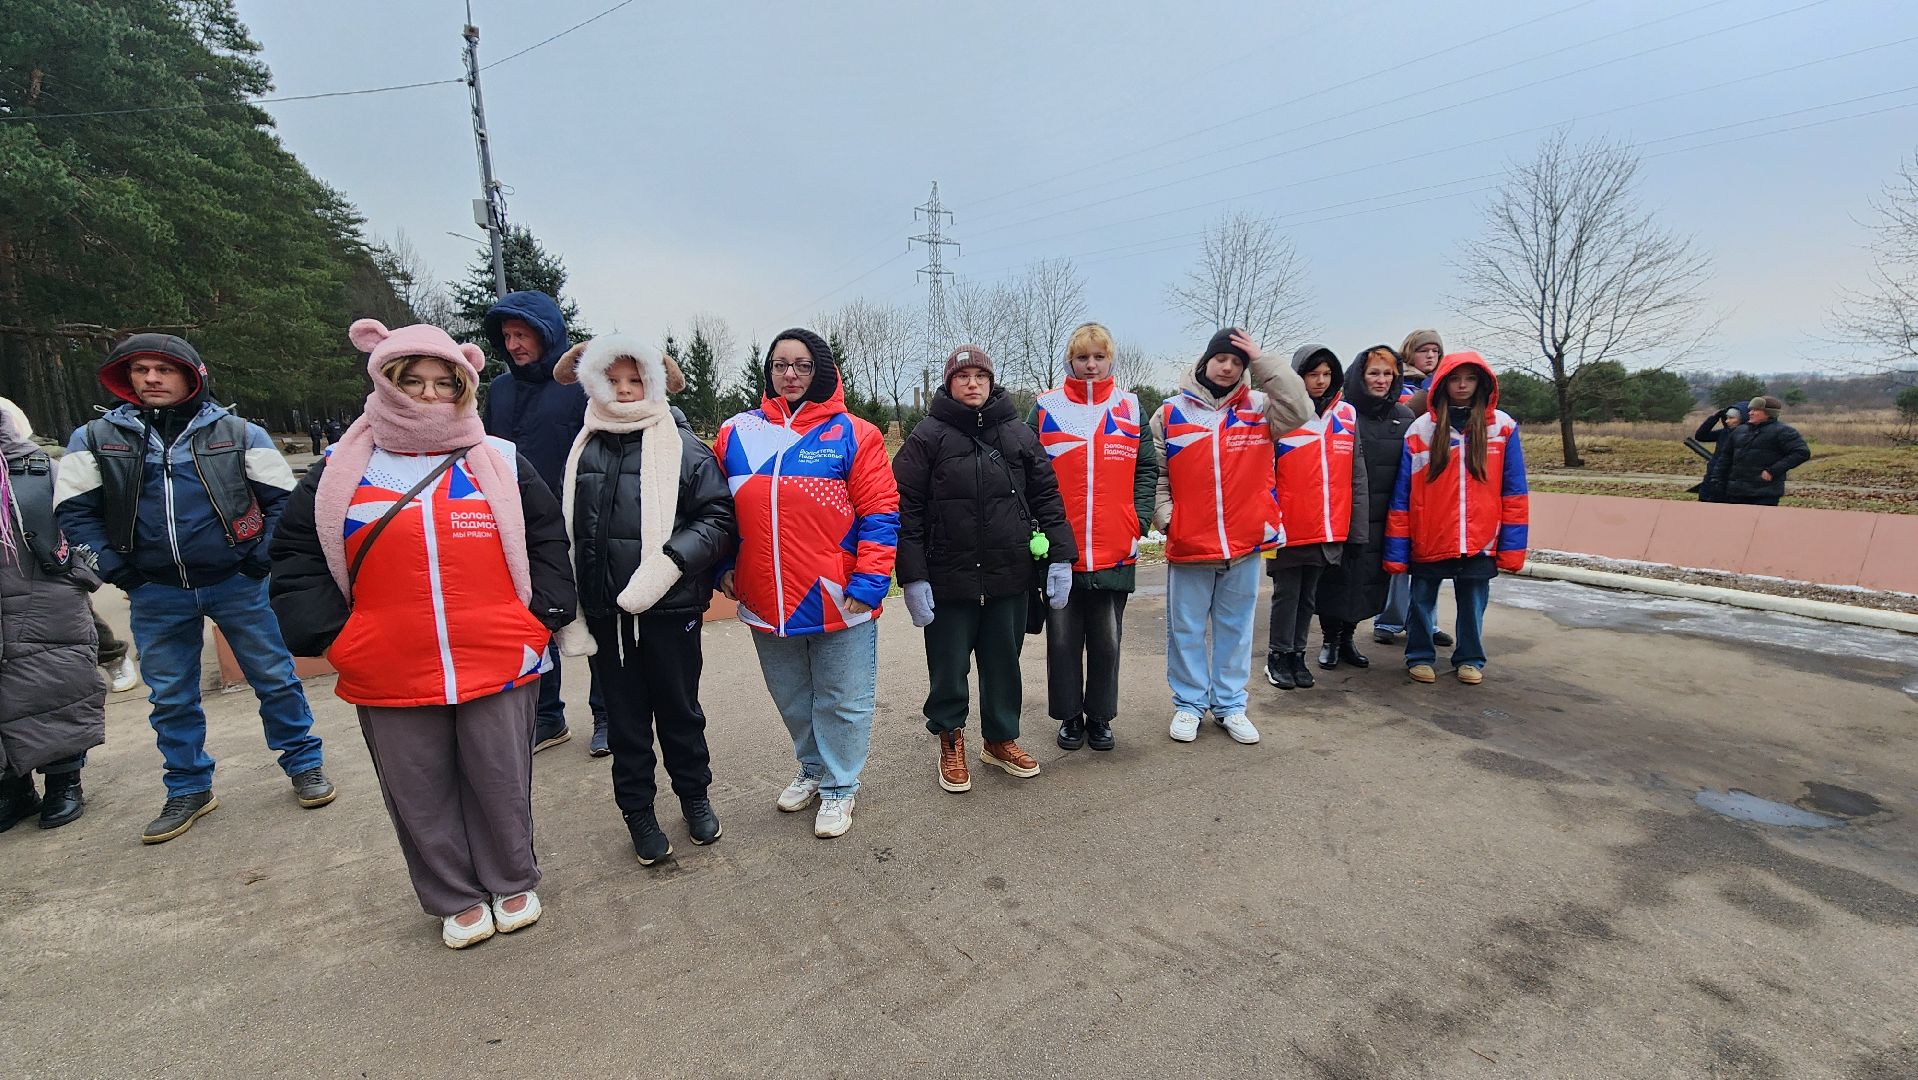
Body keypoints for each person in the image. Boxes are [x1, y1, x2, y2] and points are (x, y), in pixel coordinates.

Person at [269, 319, 575, 950]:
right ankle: (453, 894)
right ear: (385, 382)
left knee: (501, 777)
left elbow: (547, 539)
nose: (431, 394)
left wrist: (538, 620)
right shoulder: (342, 468)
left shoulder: (499, 459)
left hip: (498, 653)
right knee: (418, 788)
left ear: (465, 386)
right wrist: (337, 640)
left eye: (445, 382)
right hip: (387, 662)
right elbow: (297, 557)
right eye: (414, 381)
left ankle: (511, 877)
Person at [55, 334, 332, 845]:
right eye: (140, 369)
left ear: (191, 375)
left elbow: (285, 503)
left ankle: (304, 765)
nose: (151, 378)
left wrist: (259, 560)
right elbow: (74, 514)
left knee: (275, 678)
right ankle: (188, 788)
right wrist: (120, 572)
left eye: (164, 369)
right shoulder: (93, 438)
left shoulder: (240, 432)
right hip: (155, 591)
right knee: (170, 697)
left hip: (239, 583)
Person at [548, 335, 735, 865]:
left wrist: (669, 564)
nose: (625, 390)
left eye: (635, 380)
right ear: (595, 383)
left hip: (671, 610)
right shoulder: (583, 447)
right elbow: (568, 530)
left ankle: (694, 797)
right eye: (614, 381)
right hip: (606, 615)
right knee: (625, 722)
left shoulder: (685, 447)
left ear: (653, 382)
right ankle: (638, 813)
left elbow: (718, 518)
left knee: (681, 712)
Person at [715, 329, 897, 838]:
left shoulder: (855, 433)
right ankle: (813, 768)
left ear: (821, 371)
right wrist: (721, 566)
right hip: (763, 597)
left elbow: (880, 513)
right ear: (768, 371)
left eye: (802, 365)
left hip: (837, 594)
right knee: (793, 697)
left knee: (842, 698)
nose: (790, 374)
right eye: (780, 365)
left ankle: (840, 786)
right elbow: (716, 510)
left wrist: (870, 580)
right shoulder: (735, 433)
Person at [895, 345, 1076, 792]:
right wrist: (913, 575)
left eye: (980, 375)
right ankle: (950, 737)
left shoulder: (1017, 433)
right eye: (963, 376)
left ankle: (999, 738)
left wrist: (1060, 556)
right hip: (948, 576)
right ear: (949, 383)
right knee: (948, 667)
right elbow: (905, 508)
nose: (972, 383)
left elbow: (1047, 497)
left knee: (1003, 664)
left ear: (991, 382)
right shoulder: (927, 436)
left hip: (1008, 573)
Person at [1153, 328, 1310, 744]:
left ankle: (1230, 705)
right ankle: (1189, 705)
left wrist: (1262, 360)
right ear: (1206, 361)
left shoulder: (1261, 408)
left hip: (1245, 541)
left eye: (1237, 362)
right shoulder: (1171, 413)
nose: (1228, 367)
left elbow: (1300, 407)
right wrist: (1168, 518)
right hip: (1190, 542)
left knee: (1235, 630)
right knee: (1185, 630)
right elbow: (1157, 475)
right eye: (1221, 359)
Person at [480, 290, 600, 754]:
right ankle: (547, 717)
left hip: (578, 521)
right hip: (519, 527)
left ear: (546, 334)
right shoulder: (500, 390)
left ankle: (606, 715)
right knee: (534, 620)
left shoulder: (578, 384)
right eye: (506, 336)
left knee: (594, 615)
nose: (513, 345)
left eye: (522, 334)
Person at [1030, 322, 1157, 752]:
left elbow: (1147, 469)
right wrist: (1035, 527)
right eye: (1083, 357)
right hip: (1060, 549)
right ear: (1070, 361)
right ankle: (1070, 715)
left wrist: (1138, 519)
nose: (1091, 365)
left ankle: (1100, 716)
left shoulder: (1130, 407)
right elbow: (1025, 469)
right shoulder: (1045, 408)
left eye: (1099, 357)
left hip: (1114, 546)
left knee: (1107, 640)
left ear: (1110, 360)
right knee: (1062, 639)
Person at [1384, 352, 1529, 685]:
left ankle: (1470, 658)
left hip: (1481, 537)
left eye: (1470, 378)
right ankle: (1419, 655)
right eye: (1455, 379)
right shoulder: (1421, 429)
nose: (1462, 385)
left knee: (1473, 601)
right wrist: (1397, 548)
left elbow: (1514, 491)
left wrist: (1511, 546)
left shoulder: (1502, 427)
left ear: (1482, 383)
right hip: (1430, 534)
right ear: (1442, 383)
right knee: (1421, 599)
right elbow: (1403, 493)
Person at [1, 397, 106, 831]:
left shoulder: (40, 469)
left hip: (43, 599)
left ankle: (64, 782)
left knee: (53, 687)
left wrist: (82, 572)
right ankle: (13, 789)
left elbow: (84, 521)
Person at [1264, 345, 1367, 691]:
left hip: (1328, 524)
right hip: (1288, 525)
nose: (1320, 381)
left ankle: (1297, 654)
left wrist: (1356, 529)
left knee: (1309, 596)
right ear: (1299, 377)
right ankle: (1278, 655)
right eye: (1312, 374)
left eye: (1326, 374)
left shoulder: (1347, 415)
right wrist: (1268, 521)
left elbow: (1357, 475)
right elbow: (1264, 471)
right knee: (1286, 594)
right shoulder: (1281, 413)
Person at [1315, 346, 1415, 671]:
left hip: (1384, 515)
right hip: (1345, 512)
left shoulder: (1404, 417)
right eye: (1374, 373)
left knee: (1367, 582)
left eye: (1388, 374)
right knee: (1335, 579)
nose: (1381, 380)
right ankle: (1330, 639)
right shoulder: (1342, 412)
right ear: (1360, 375)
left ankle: (1348, 638)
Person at [1375, 328, 1452, 649]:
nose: (1431, 355)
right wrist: (1432, 390)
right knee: (1398, 554)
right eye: (1424, 350)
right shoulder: (1398, 382)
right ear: (1410, 352)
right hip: (1397, 474)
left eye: (1436, 350)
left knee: (1430, 555)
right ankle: (1389, 619)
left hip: (1431, 479)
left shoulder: (1446, 384)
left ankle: (1425, 622)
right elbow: (1406, 415)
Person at [1726, 396, 1811, 507]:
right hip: (1736, 492)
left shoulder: (1784, 431)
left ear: (1769, 413)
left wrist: (1772, 471)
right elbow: (1725, 458)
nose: (1750, 413)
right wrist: (1717, 480)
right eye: (1750, 410)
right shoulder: (1739, 431)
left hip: (1765, 492)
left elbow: (1801, 452)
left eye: (1756, 410)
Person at [1693, 403, 1746, 503]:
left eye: (1731, 418)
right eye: (1726, 418)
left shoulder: (1747, 436)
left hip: (1729, 481)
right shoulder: (1724, 432)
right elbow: (1701, 436)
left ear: (1742, 419)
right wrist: (1714, 418)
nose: (1727, 421)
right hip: (1711, 477)